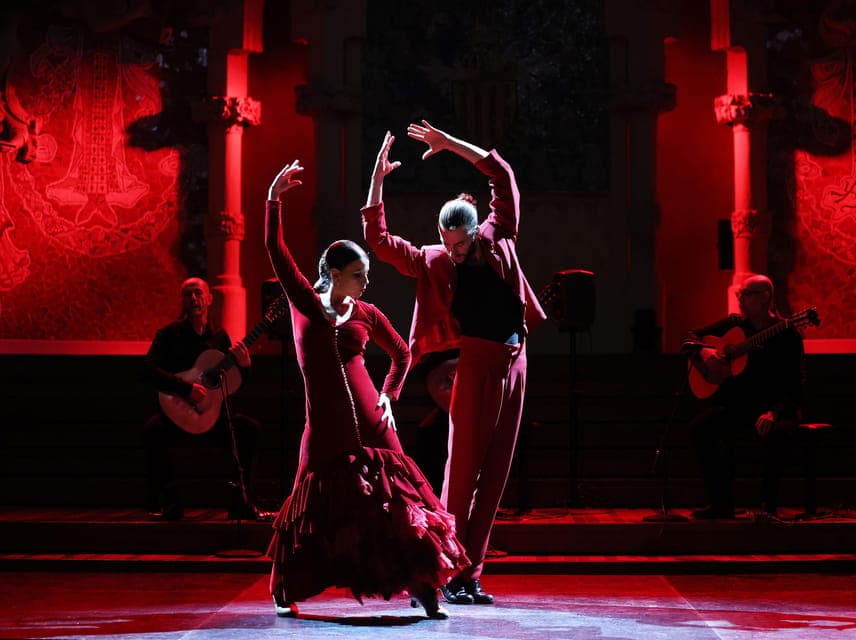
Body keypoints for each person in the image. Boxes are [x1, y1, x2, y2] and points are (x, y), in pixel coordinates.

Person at [264, 160, 468, 620]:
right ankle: (285, 588)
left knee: (398, 503)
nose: (365, 282)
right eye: (358, 274)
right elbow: (275, 251)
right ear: (334, 274)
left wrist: (390, 395)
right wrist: (273, 200)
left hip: (374, 422)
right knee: (312, 507)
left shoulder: (367, 312)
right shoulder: (303, 304)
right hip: (325, 428)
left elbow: (403, 353)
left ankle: (425, 588)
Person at [362, 122, 546, 605]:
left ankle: (471, 575)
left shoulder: (498, 235)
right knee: (461, 473)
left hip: (516, 358)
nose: (454, 252)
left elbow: (502, 176)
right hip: (478, 363)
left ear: (474, 232)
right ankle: (442, 570)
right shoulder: (434, 261)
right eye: (447, 244)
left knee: (497, 474)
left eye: (460, 244)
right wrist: (378, 182)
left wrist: (450, 146)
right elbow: (378, 241)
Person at [682, 274, 805, 519]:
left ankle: (767, 505)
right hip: (740, 406)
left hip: (774, 407)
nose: (739, 299)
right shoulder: (735, 325)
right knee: (700, 429)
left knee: (777, 433)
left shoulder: (786, 334)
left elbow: (795, 382)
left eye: (745, 295)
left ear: (764, 298)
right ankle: (721, 504)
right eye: (740, 294)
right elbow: (690, 337)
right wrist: (705, 353)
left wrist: (775, 411)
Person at [141, 277, 261, 521]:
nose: (193, 299)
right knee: (152, 431)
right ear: (183, 301)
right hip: (177, 416)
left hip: (211, 417)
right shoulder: (168, 335)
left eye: (198, 293)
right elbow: (148, 370)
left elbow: (233, 383)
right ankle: (168, 503)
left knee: (250, 430)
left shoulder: (220, 339)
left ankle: (240, 502)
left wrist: (246, 366)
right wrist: (185, 389)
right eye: (188, 294)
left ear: (209, 299)